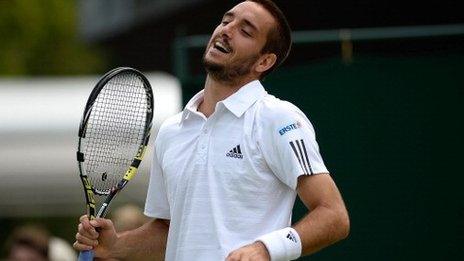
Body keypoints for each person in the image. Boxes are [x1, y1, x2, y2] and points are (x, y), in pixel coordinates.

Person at [73, 0, 350, 260]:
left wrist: (265, 250)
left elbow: (334, 216)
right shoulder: (172, 131)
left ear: (263, 61)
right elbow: (169, 230)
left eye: (245, 31)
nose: (227, 30)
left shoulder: (277, 118)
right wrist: (117, 245)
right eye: (226, 21)